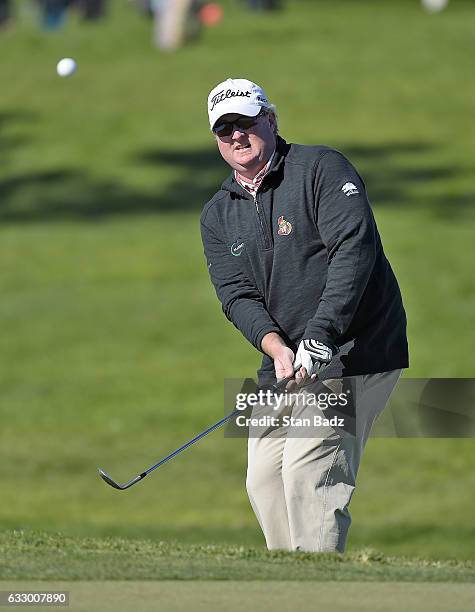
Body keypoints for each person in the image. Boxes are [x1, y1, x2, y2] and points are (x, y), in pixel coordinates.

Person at [201, 78, 409, 553]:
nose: (236, 135)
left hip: (355, 352)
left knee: (306, 473)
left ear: (270, 121)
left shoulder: (320, 169)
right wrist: (275, 347)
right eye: (224, 128)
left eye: (246, 122)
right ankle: (292, 588)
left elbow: (353, 252)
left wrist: (320, 336)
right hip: (285, 362)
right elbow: (235, 295)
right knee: (264, 480)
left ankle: (318, 592)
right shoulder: (217, 214)